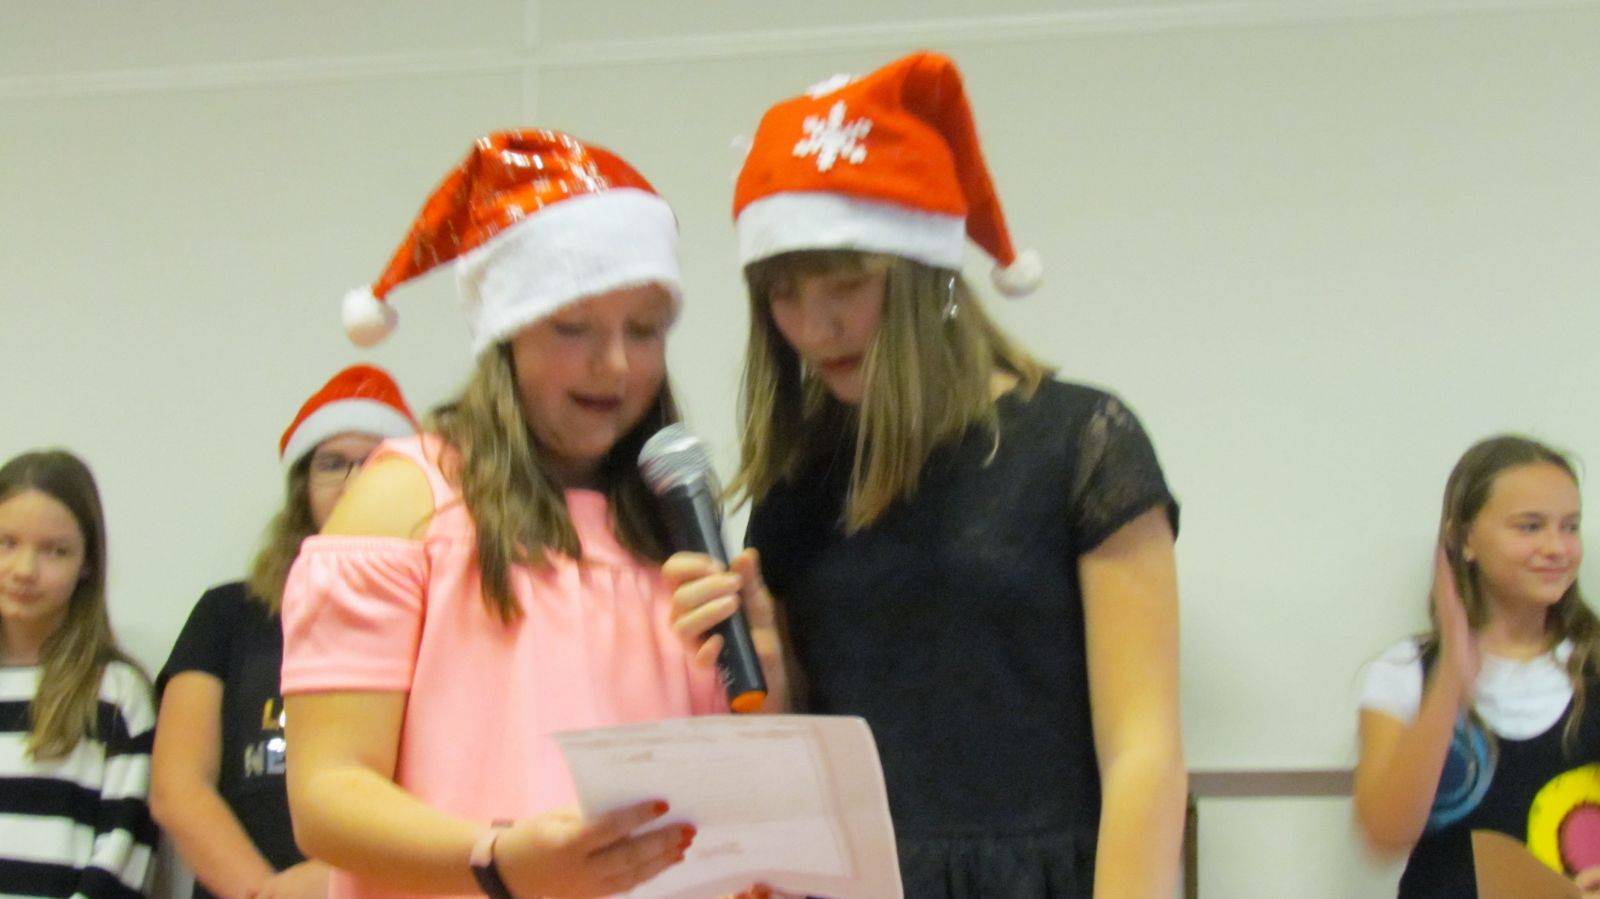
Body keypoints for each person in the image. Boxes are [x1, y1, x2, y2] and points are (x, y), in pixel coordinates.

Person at [667, 52, 1185, 897]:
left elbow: (1144, 752)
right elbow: (809, 767)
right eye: (784, 295)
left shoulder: (1080, 443)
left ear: (927, 276)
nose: (817, 325)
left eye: (846, 284)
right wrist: (772, 678)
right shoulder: (798, 484)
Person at [279, 130, 741, 899]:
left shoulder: (669, 522)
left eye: (644, 329)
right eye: (573, 327)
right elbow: (327, 794)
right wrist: (498, 860)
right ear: (506, 333)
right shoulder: (406, 498)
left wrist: (766, 668)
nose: (615, 363)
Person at [150, 365, 418, 899]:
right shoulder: (228, 612)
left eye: (374, 463)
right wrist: (266, 893)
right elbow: (177, 787)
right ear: (302, 488)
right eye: (332, 464)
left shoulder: (442, 618)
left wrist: (337, 884)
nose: (352, 482)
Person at [1355, 435, 1598, 897]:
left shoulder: (1592, 664)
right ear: (1464, 538)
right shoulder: (1404, 672)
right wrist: (1451, 679)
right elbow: (1384, 835)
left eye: (1570, 526)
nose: (1557, 547)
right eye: (1530, 526)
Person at [0, 449, 158, 897]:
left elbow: (124, 853)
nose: (24, 570)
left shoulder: (115, 693)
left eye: (55, 551)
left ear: (87, 563)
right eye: (7, 543)